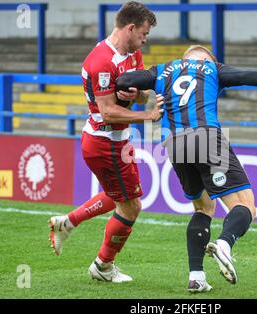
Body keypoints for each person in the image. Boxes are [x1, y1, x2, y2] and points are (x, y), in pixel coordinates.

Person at [116, 45, 257, 292]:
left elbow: (125, 80)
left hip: (173, 142)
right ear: (207, 60)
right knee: (246, 205)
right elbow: (245, 76)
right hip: (207, 138)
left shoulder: (163, 70)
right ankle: (224, 244)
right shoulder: (212, 69)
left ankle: (196, 276)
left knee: (204, 207)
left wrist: (129, 91)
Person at [48, 1, 163, 283]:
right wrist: (150, 116)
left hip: (117, 141)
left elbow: (131, 97)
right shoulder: (101, 60)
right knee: (131, 206)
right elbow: (108, 112)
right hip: (104, 143)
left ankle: (67, 223)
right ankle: (102, 266)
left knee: (118, 196)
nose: (145, 40)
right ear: (131, 28)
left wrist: (133, 96)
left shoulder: (132, 55)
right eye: (144, 34)